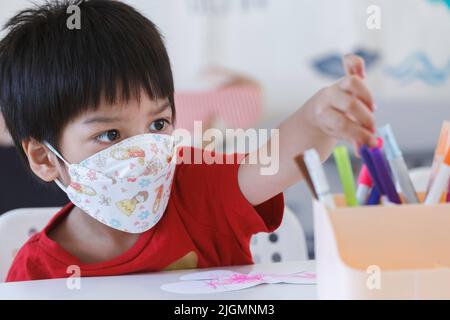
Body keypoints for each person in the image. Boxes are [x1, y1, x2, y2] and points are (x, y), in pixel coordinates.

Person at [0, 0, 376, 282]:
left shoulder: (195, 185)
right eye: (110, 135)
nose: (147, 152)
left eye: (159, 123)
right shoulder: (35, 273)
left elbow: (276, 160)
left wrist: (318, 121)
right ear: (45, 158)